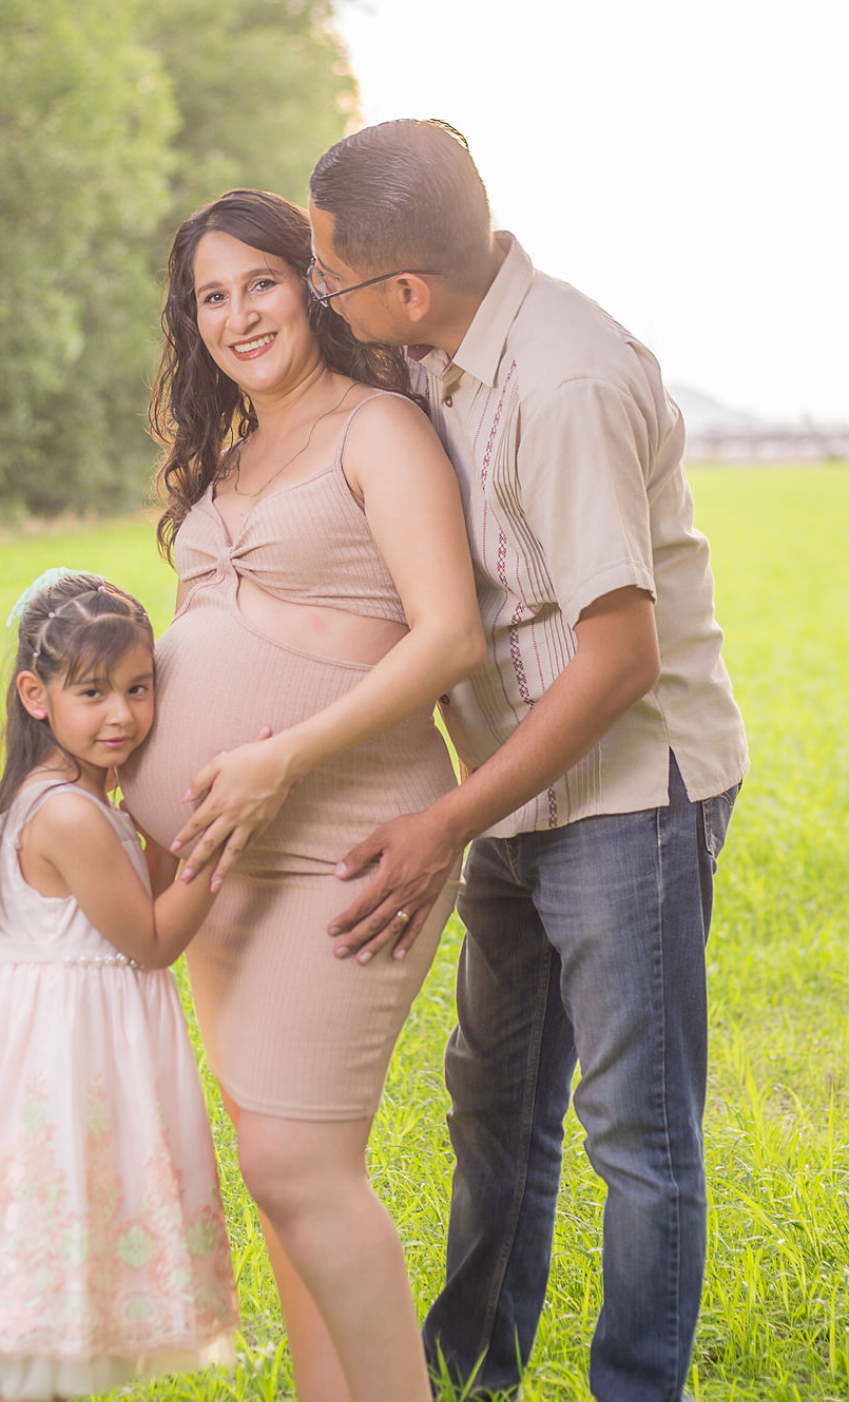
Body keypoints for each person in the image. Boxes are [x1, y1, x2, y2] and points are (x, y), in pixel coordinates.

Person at [307, 120, 750, 1402]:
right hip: (506, 791)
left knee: (637, 1140)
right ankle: (469, 1379)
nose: (329, 300)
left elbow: (615, 657)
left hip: (624, 796)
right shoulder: (436, 351)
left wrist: (444, 822)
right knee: (494, 1109)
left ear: (404, 288)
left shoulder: (563, 379)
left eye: (334, 278)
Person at [118, 188, 485, 1402]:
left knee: (295, 1157)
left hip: (342, 827)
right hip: (217, 862)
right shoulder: (223, 463)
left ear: (309, 283)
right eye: (211, 297)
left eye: (260, 282)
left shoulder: (373, 429)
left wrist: (280, 757)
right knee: (272, 1163)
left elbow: (445, 638)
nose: (238, 315)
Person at [0, 570, 238, 1402]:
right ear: (36, 693)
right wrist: (228, 835)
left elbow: (142, 885)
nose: (121, 714)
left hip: (57, 1061)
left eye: (137, 689)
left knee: (57, 1304)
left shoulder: (75, 795)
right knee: (54, 1295)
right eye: (92, 691)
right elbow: (154, 940)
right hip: (70, 1075)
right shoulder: (66, 814)